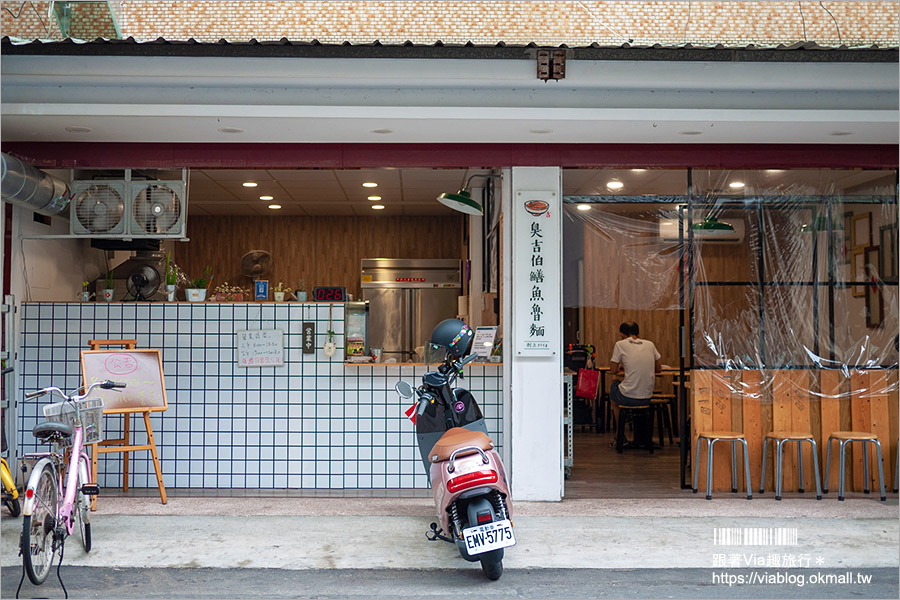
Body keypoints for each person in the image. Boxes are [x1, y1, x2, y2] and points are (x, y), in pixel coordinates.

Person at [609, 321, 661, 431]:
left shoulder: (620, 344)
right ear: (639, 334)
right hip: (647, 397)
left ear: (622, 335)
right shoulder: (650, 344)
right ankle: (639, 434)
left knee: (613, 387)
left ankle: (619, 434)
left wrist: (620, 368)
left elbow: (612, 370)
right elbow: (658, 369)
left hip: (628, 397)